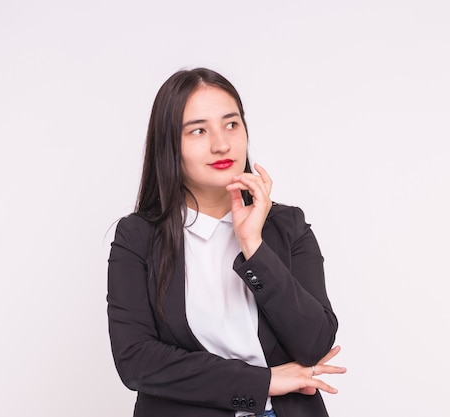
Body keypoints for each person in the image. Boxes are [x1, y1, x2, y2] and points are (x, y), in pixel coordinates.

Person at [107, 67, 345, 417]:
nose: (221, 143)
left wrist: (253, 245)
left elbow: (314, 343)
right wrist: (261, 383)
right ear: (170, 144)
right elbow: (137, 361)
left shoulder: (286, 225)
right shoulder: (138, 237)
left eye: (231, 124)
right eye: (199, 130)